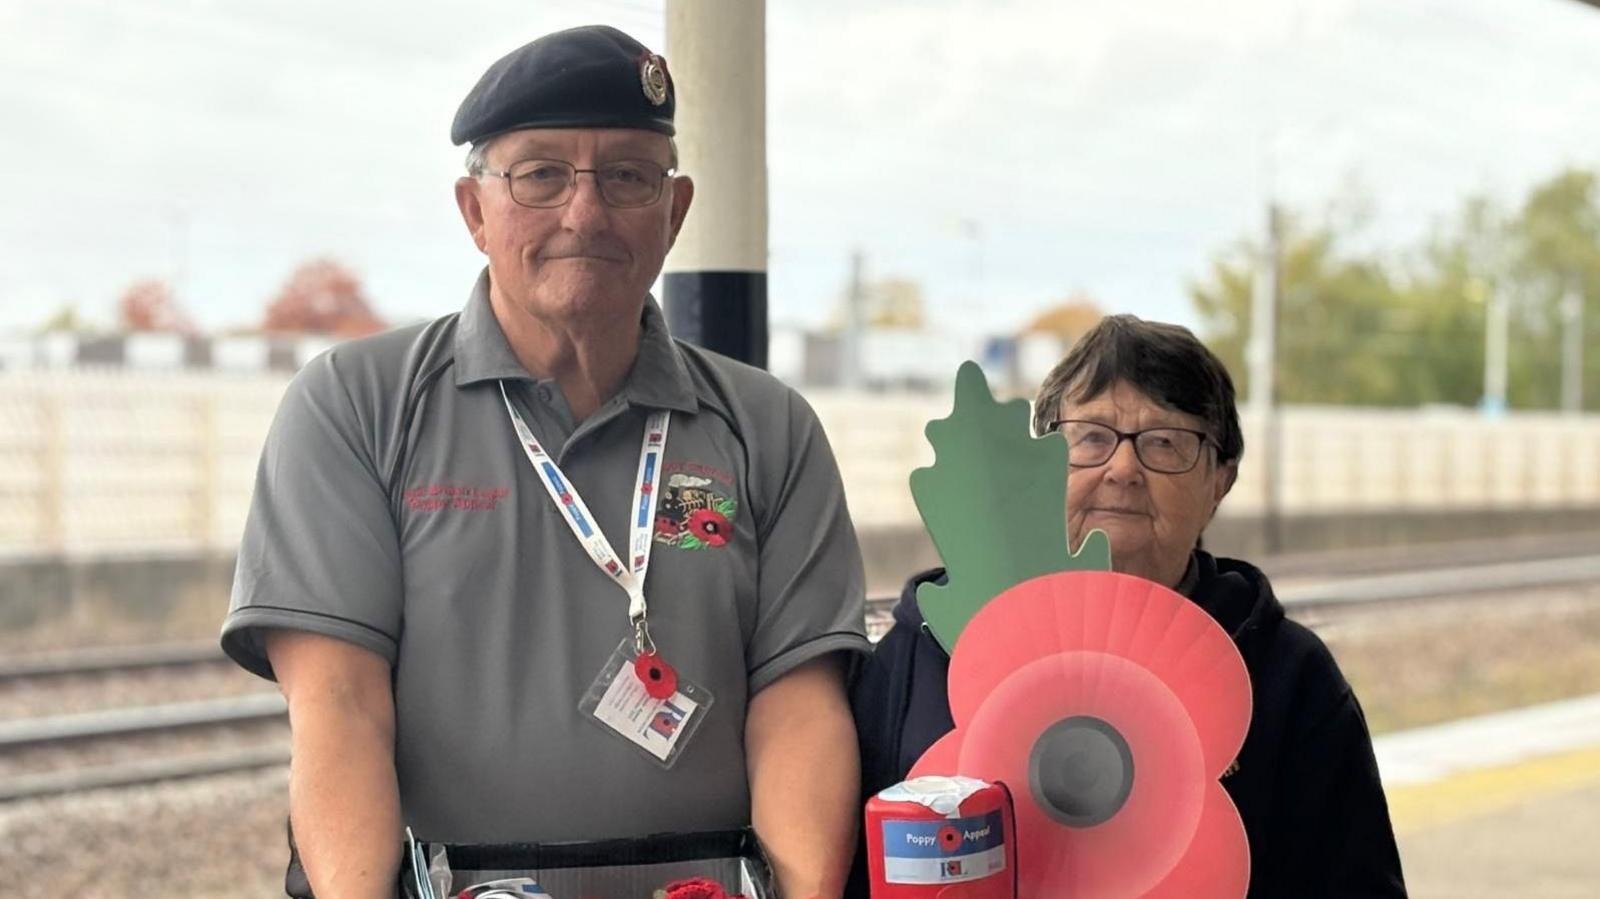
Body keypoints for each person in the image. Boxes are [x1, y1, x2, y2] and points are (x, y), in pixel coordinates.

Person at [221, 25, 868, 899]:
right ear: (474, 210)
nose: (585, 211)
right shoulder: (354, 406)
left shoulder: (768, 427)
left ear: (674, 213)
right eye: (541, 173)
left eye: (627, 176)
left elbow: (798, 711)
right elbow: (339, 712)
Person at [850, 315, 1407, 898]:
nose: (1122, 470)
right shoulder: (917, 654)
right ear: (1038, 467)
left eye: (1165, 443)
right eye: (1091, 438)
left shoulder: (1287, 675)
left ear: (1222, 481)